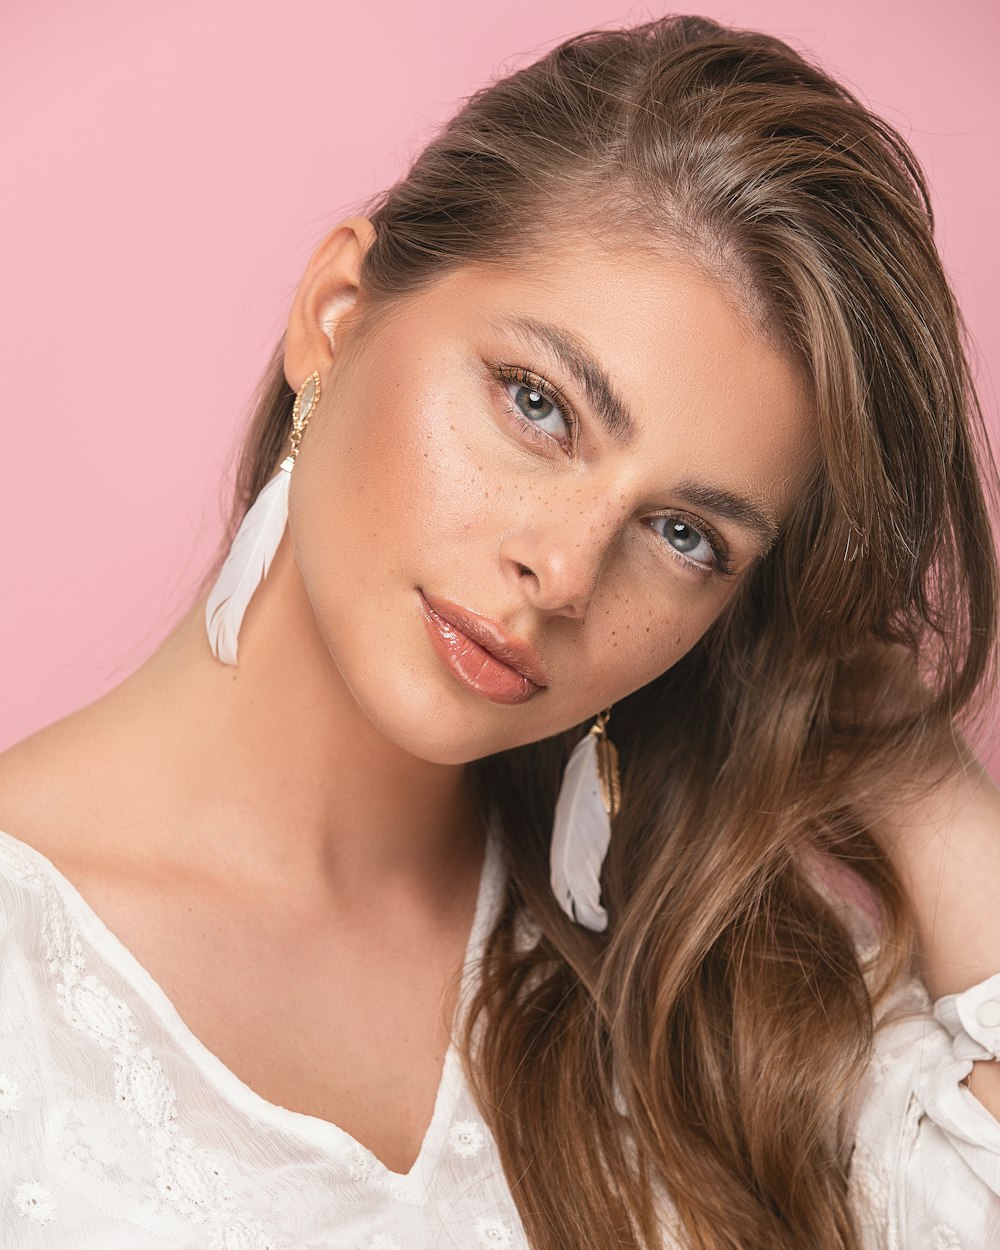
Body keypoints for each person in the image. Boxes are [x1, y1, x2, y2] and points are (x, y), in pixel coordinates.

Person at [0, 12, 997, 1249]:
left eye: (687, 535)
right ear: (338, 312)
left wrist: (920, 777)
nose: (566, 570)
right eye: (539, 404)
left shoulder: (715, 1003)